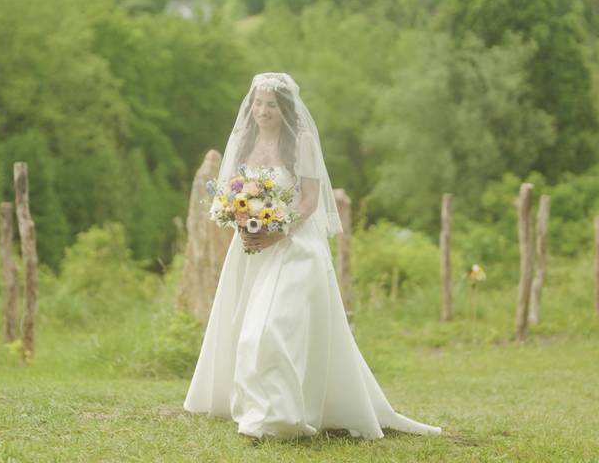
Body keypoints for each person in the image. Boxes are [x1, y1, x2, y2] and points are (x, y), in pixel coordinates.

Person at [183, 72, 443, 440]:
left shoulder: (300, 142)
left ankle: (280, 418)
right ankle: (264, 410)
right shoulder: (244, 140)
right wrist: (243, 220)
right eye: (257, 103)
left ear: (285, 107)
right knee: (245, 328)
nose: (262, 110)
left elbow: (308, 202)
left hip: (295, 248)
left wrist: (277, 229)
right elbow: (231, 193)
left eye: (271, 104)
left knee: (270, 329)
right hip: (252, 250)